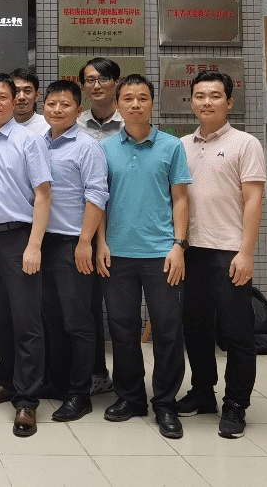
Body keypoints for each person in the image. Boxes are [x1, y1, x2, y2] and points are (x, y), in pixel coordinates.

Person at [97, 74, 191, 440]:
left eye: (142, 98)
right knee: (122, 329)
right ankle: (131, 397)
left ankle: (165, 402)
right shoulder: (105, 148)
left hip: (161, 255)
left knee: (167, 329)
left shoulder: (171, 146)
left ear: (153, 103)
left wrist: (179, 245)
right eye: (128, 98)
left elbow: (181, 199)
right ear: (117, 105)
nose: (135, 104)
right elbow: (99, 200)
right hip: (117, 254)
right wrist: (101, 243)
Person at [178, 71, 266, 439]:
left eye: (215, 96)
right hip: (192, 252)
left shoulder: (246, 143)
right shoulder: (181, 145)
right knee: (195, 329)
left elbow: (254, 200)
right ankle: (203, 393)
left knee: (236, 334)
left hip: (229, 252)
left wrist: (246, 253)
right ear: (191, 102)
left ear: (229, 102)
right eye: (200, 95)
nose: (206, 102)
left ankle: (236, 404)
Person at [0, 73, 52, 438]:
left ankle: (27, 400)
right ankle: (8, 378)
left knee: (26, 320)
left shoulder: (29, 140)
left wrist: (34, 244)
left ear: (13, 99)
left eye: (2, 96)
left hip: (19, 237)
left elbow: (44, 195)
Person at [40, 80, 109, 423]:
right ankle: (58, 382)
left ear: (78, 110)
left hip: (72, 244)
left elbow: (97, 195)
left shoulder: (87, 147)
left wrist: (85, 243)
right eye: (51, 103)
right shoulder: (39, 143)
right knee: (53, 319)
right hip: (43, 243)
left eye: (65, 104)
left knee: (78, 321)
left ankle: (80, 393)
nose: (57, 109)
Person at [75, 56, 123, 396]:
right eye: (90, 79)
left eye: (103, 78)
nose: (97, 85)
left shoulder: (133, 122)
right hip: (85, 230)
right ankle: (95, 372)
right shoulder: (74, 125)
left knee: (121, 310)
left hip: (124, 227)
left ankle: (128, 381)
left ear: (116, 82)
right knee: (87, 307)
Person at [11, 66, 49, 135]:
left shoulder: (48, 126)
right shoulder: (0, 126)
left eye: (27, 91)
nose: (21, 97)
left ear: (37, 96)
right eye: (16, 91)